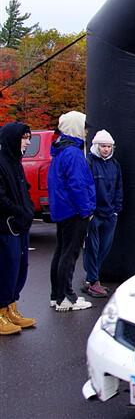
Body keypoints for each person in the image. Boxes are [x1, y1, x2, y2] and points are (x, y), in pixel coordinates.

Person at [48, 111, 96, 312]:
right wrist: (86, 210)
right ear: (77, 127)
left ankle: (56, 296)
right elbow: (78, 184)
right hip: (74, 211)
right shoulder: (74, 153)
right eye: (84, 126)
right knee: (70, 253)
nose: (86, 131)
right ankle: (66, 297)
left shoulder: (60, 150)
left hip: (62, 209)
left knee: (61, 252)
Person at [0, 122, 37, 333]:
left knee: (19, 267)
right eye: (24, 137)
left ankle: (10, 306)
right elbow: (1, 197)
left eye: (29, 137)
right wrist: (18, 212)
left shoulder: (16, 162)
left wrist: (28, 209)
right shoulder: (1, 162)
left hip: (20, 225)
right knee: (6, 267)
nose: (28, 142)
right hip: (6, 226)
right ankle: (0, 310)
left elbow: (24, 190)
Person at [82, 130, 123, 298]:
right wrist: (90, 211)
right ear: (96, 146)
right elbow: (86, 187)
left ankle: (92, 279)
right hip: (95, 214)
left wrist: (116, 210)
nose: (106, 149)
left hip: (110, 213)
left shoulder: (115, 164)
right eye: (103, 146)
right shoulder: (90, 162)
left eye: (108, 146)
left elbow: (119, 187)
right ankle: (92, 281)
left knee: (104, 248)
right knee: (92, 248)